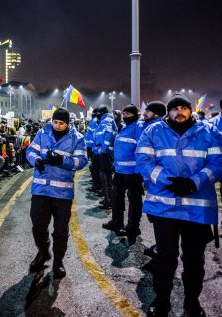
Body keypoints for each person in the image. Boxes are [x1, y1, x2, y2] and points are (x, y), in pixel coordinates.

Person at [135, 94, 222, 316]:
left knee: (194, 259)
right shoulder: (152, 131)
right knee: (165, 256)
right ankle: (161, 300)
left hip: (197, 208)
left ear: (190, 110)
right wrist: (168, 182)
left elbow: (218, 162)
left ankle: (192, 301)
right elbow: (144, 162)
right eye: (175, 108)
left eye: (184, 108)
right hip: (165, 207)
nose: (179, 112)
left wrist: (195, 182)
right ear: (168, 112)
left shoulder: (209, 132)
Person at [26, 108, 87, 278]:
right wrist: (35, 160)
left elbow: (82, 161)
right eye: (55, 122)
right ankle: (43, 251)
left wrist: (62, 160)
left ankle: (58, 261)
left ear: (67, 123)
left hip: (62, 192)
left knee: (60, 231)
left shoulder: (77, 138)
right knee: (38, 225)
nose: (57, 125)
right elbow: (31, 150)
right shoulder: (42, 132)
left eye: (61, 123)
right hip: (41, 189)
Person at [102, 104, 144, 240]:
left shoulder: (138, 127)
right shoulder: (125, 127)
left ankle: (133, 227)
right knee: (116, 196)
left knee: (134, 199)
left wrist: (139, 169)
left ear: (135, 114)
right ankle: (117, 221)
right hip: (120, 170)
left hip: (133, 171)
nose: (125, 116)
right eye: (124, 114)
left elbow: (142, 149)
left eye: (128, 114)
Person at [92, 105, 117, 209]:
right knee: (105, 177)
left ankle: (109, 200)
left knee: (105, 177)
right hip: (104, 152)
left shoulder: (106, 120)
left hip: (105, 153)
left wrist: (103, 148)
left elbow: (108, 134)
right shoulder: (106, 120)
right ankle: (108, 199)